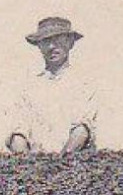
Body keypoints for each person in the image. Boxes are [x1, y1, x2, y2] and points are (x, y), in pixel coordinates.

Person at [6, 16, 98, 155]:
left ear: (70, 43)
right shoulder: (29, 88)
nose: (51, 47)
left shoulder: (83, 84)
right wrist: (26, 164)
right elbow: (18, 131)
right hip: (33, 168)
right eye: (45, 41)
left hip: (74, 166)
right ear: (39, 46)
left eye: (58, 40)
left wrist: (58, 164)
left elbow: (82, 130)